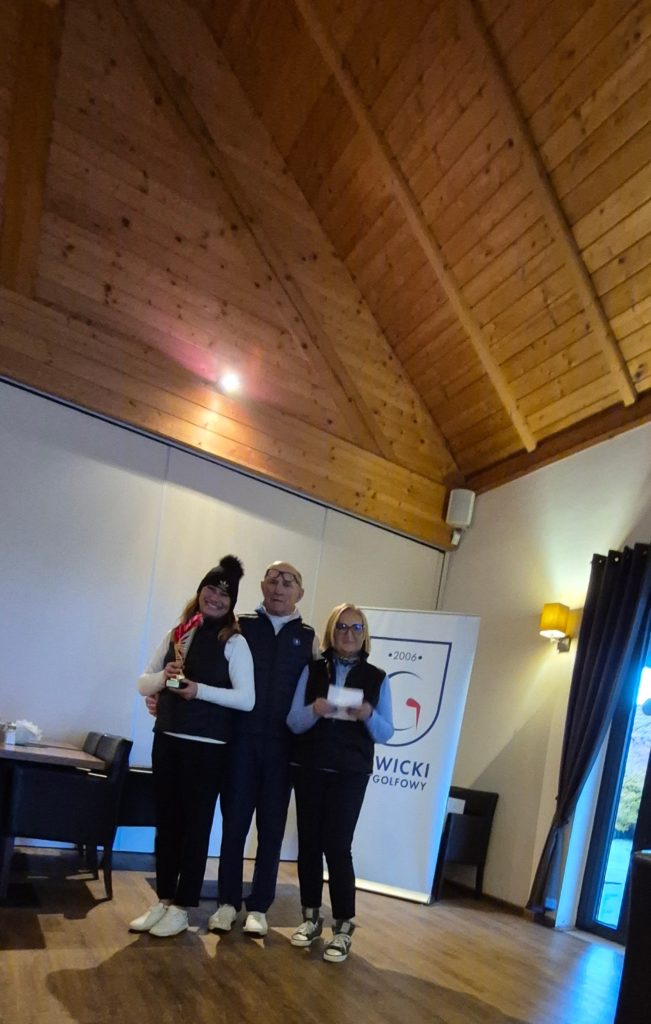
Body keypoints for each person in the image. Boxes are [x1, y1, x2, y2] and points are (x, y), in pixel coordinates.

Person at [130, 555, 255, 937]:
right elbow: (143, 682)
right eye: (210, 589)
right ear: (200, 591)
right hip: (167, 739)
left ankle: (183, 908)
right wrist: (162, 679)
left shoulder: (235, 643)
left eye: (224, 594)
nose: (215, 598)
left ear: (231, 603)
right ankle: (164, 899)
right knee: (166, 824)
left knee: (195, 828)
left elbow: (246, 699)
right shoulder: (178, 633)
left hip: (207, 747)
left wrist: (198, 690)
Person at [208, 561, 318, 937]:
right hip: (240, 744)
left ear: (300, 592)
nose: (279, 587)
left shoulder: (309, 638)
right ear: (261, 586)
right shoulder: (240, 627)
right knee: (234, 825)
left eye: (289, 581)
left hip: (283, 751)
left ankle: (259, 907)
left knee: (271, 831)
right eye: (273, 580)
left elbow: (316, 694)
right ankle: (226, 903)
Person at [286, 602, 393, 962]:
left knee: (338, 846)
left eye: (356, 627)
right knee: (309, 846)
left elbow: (386, 733)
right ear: (332, 632)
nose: (349, 634)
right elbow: (293, 722)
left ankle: (344, 926)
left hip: (351, 773)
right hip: (310, 768)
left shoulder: (378, 677)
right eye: (342, 627)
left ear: (365, 635)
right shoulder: (313, 669)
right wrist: (314, 710)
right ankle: (310, 918)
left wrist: (369, 715)